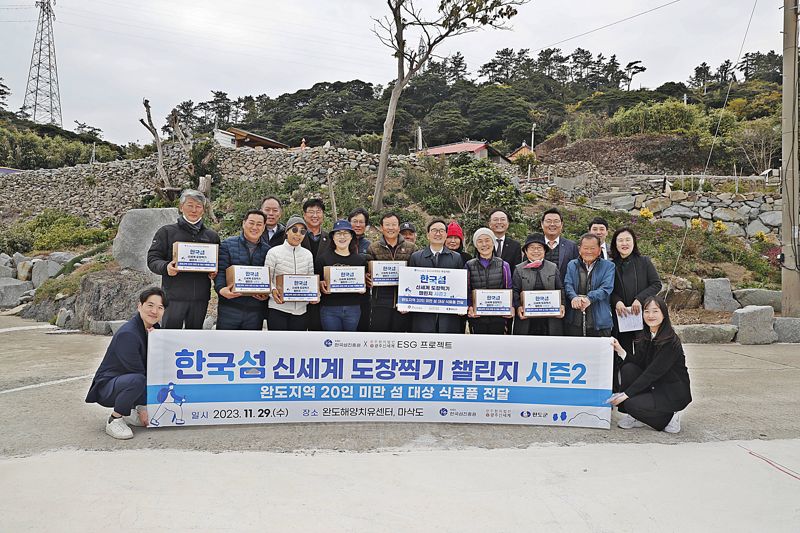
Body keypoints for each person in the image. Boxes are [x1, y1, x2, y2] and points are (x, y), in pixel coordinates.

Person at [85, 287, 167, 440]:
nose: (154, 311)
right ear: (139, 306)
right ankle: (114, 419)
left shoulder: (154, 329)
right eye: (150, 305)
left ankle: (131, 411)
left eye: (160, 307)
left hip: (127, 381)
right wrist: (144, 407)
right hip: (109, 386)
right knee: (138, 379)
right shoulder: (128, 334)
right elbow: (139, 372)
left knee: (146, 376)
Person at [609, 296, 691, 433]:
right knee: (629, 368)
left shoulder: (670, 341)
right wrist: (620, 350)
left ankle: (670, 416)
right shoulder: (646, 336)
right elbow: (638, 363)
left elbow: (651, 373)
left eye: (655, 311)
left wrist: (625, 395)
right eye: (646, 311)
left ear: (664, 314)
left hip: (671, 390)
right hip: (655, 385)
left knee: (630, 403)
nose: (650, 315)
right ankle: (635, 416)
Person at [147, 189, 220, 329]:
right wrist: (166, 267)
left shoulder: (212, 236)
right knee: (170, 336)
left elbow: (218, 263)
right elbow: (152, 259)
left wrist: (214, 273)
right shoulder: (166, 232)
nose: (194, 210)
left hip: (200, 298)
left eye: (198, 206)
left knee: (193, 339)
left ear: (203, 210)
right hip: (173, 297)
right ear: (181, 207)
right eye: (190, 205)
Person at [610, 227, 663, 358]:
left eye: (628, 240)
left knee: (644, 351)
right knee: (623, 352)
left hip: (642, 314)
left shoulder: (644, 261)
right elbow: (608, 289)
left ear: (634, 242)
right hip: (622, 315)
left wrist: (639, 299)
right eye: (620, 240)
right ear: (615, 244)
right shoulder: (611, 265)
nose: (624, 243)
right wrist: (617, 302)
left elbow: (656, 284)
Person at [215, 210, 271, 330]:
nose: (255, 227)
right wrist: (221, 289)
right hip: (229, 307)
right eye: (251, 223)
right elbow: (220, 271)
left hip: (255, 310)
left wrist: (266, 294)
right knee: (225, 345)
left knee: (250, 346)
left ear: (264, 227)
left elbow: (269, 278)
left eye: (259, 224)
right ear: (243, 223)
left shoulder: (268, 251)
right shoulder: (227, 245)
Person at [407, 219, 465, 333]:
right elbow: (410, 285)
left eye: (441, 231)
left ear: (446, 235)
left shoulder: (456, 258)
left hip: (448, 316)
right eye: (434, 230)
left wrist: (461, 305)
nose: (438, 233)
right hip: (422, 316)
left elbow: (460, 287)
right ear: (428, 235)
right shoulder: (416, 257)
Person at [365, 212, 416, 332]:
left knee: (399, 340)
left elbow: (414, 275)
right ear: (382, 228)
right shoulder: (373, 248)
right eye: (387, 225)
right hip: (380, 302)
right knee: (380, 339)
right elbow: (368, 271)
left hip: (403, 303)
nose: (391, 228)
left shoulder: (412, 248)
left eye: (394, 224)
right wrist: (367, 277)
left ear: (399, 227)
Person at [265, 216, 317, 330]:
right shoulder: (273, 252)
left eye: (302, 231)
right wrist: (272, 291)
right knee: (278, 345)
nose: (298, 234)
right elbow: (266, 279)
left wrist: (315, 294)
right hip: (278, 308)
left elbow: (311, 279)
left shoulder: (308, 254)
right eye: (294, 230)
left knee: (297, 346)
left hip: (301, 311)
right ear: (287, 231)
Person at [315, 220, 368, 331]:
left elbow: (365, 286)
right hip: (329, 308)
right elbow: (315, 283)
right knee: (331, 343)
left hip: (353, 308)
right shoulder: (323, 259)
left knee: (349, 343)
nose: (342, 237)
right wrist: (319, 285)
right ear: (333, 237)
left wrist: (364, 287)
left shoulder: (360, 261)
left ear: (351, 237)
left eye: (346, 233)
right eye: (338, 233)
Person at [512, 233, 565, 336]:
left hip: (550, 319)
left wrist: (562, 305)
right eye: (532, 248)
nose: (536, 251)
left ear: (544, 251)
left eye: (539, 248)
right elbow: (515, 290)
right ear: (526, 251)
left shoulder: (553, 267)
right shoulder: (519, 269)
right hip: (526, 319)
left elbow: (560, 288)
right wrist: (518, 307)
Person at [564, 233, 615, 337]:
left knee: (599, 352)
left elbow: (606, 288)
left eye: (592, 248)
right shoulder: (572, 265)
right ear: (579, 249)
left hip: (600, 320)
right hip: (575, 319)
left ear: (599, 250)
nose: (589, 251)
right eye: (585, 248)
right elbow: (568, 284)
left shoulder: (609, 266)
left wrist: (589, 298)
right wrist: (573, 297)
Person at [466, 227, 513, 334]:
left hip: (499, 317)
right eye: (480, 241)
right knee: (478, 348)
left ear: (493, 243)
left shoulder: (503, 265)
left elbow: (508, 288)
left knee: (498, 348)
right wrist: (469, 307)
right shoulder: (469, 265)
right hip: (477, 317)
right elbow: (467, 289)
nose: (484, 244)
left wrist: (511, 307)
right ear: (476, 245)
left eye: (487, 240)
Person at [301, 198, 328, 330]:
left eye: (318, 212)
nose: (315, 215)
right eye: (311, 212)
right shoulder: (295, 236)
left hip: (322, 294)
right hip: (298, 292)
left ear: (323, 215)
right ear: (304, 215)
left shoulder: (330, 238)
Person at [348, 207, 372, 332]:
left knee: (363, 330)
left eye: (361, 222)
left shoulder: (370, 246)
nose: (358, 225)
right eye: (354, 221)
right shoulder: (340, 243)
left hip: (363, 297)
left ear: (366, 225)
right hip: (343, 296)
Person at [541, 207, 579, 283]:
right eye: (548, 221)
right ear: (542, 224)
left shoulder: (571, 246)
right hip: (538, 292)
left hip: (564, 291)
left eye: (556, 221)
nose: (552, 224)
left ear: (561, 225)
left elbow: (576, 271)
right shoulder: (534, 246)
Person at [488, 208, 522, 274]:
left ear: (508, 223)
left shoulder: (515, 245)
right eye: (495, 219)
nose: (499, 222)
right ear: (489, 224)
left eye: (503, 219)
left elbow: (516, 270)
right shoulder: (483, 244)